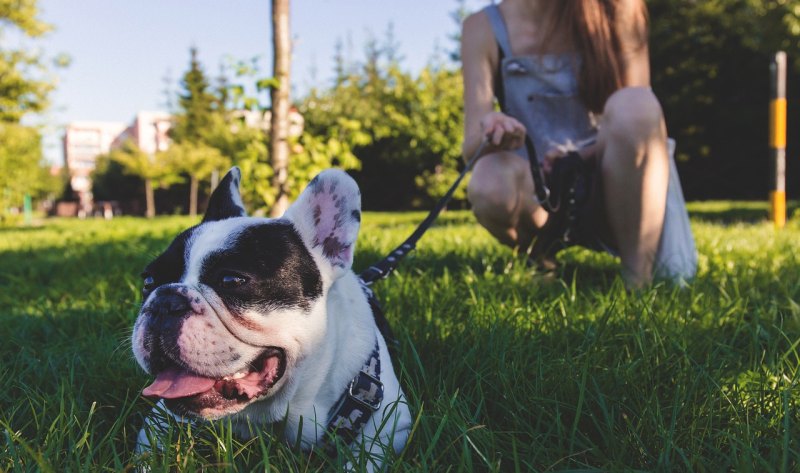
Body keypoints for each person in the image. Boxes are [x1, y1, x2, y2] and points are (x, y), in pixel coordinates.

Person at [461, 0, 697, 287]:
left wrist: (575, 156)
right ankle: (539, 255)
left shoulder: (620, 8)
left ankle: (638, 278)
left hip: (614, 181)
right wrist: (493, 129)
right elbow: (471, 147)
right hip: (540, 189)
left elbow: (642, 120)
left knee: (636, 104)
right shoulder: (481, 27)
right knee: (488, 179)